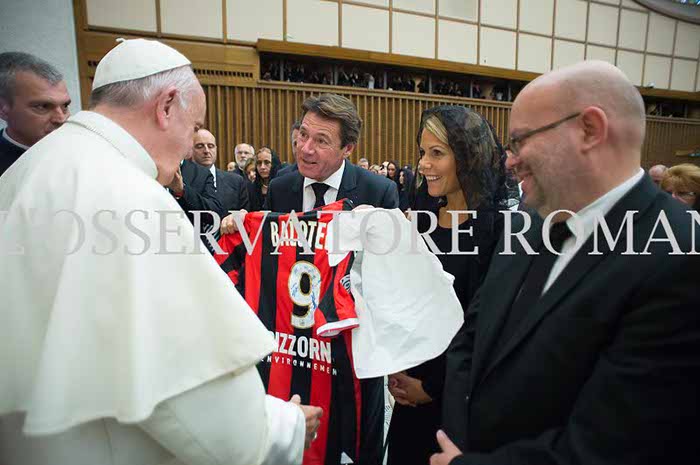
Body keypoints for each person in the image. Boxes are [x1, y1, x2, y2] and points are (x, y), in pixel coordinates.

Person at [0, 38, 321, 465]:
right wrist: (285, 426)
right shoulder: (132, 196)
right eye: (194, 127)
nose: (192, 147)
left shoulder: (29, 169)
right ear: (166, 106)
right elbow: (190, 397)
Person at [434, 60, 700, 465]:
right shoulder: (525, 223)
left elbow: (615, 444)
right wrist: (458, 439)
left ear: (589, 130)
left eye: (521, 140)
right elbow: (471, 342)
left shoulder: (680, 254)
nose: (510, 160)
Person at [222, 93, 398, 465]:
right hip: (293, 350)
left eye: (321, 141)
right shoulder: (283, 187)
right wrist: (240, 227)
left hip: (351, 354)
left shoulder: (377, 192)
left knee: (353, 445)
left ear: (348, 148)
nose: (306, 149)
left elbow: (392, 278)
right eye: (302, 135)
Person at [386, 106, 511, 465]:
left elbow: (487, 325)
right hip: (409, 392)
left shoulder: (498, 232)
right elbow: (404, 302)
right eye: (422, 152)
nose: (423, 164)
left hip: (460, 404)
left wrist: (431, 389)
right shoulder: (421, 220)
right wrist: (396, 366)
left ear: (468, 157)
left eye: (436, 153)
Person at [0, 51, 71, 176]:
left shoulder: (83, 153)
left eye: (65, 106)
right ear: (2, 109)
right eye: (43, 106)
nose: (61, 119)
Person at [192, 128, 249, 213]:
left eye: (210, 146)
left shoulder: (236, 182)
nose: (206, 151)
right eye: (200, 146)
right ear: (190, 149)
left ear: (216, 149)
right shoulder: (183, 181)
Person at [249, 146, 281, 211]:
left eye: (267, 163)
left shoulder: (282, 186)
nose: (262, 167)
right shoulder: (251, 188)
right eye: (259, 163)